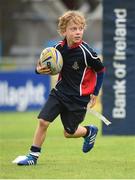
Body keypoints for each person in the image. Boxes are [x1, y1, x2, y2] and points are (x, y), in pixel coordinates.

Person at [17, 10, 105, 166]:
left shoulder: (87, 53)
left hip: (78, 99)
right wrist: (38, 70)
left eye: (80, 28)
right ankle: (32, 156)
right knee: (43, 122)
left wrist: (95, 92)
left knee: (69, 133)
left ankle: (88, 131)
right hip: (59, 93)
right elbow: (44, 67)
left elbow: (101, 70)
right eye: (73, 29)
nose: (78, 32)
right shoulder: (57, 49)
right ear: (64, 31)